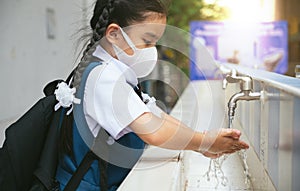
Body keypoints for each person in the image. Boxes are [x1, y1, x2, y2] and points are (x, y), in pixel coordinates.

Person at [55, 0, 249, 190]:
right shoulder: (104, 77)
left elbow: (156, 116)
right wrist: (205, 141)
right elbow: (153, 129)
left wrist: (203, 143)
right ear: (114, 34)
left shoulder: (112, 71)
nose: (152, 51)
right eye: (147, 41)